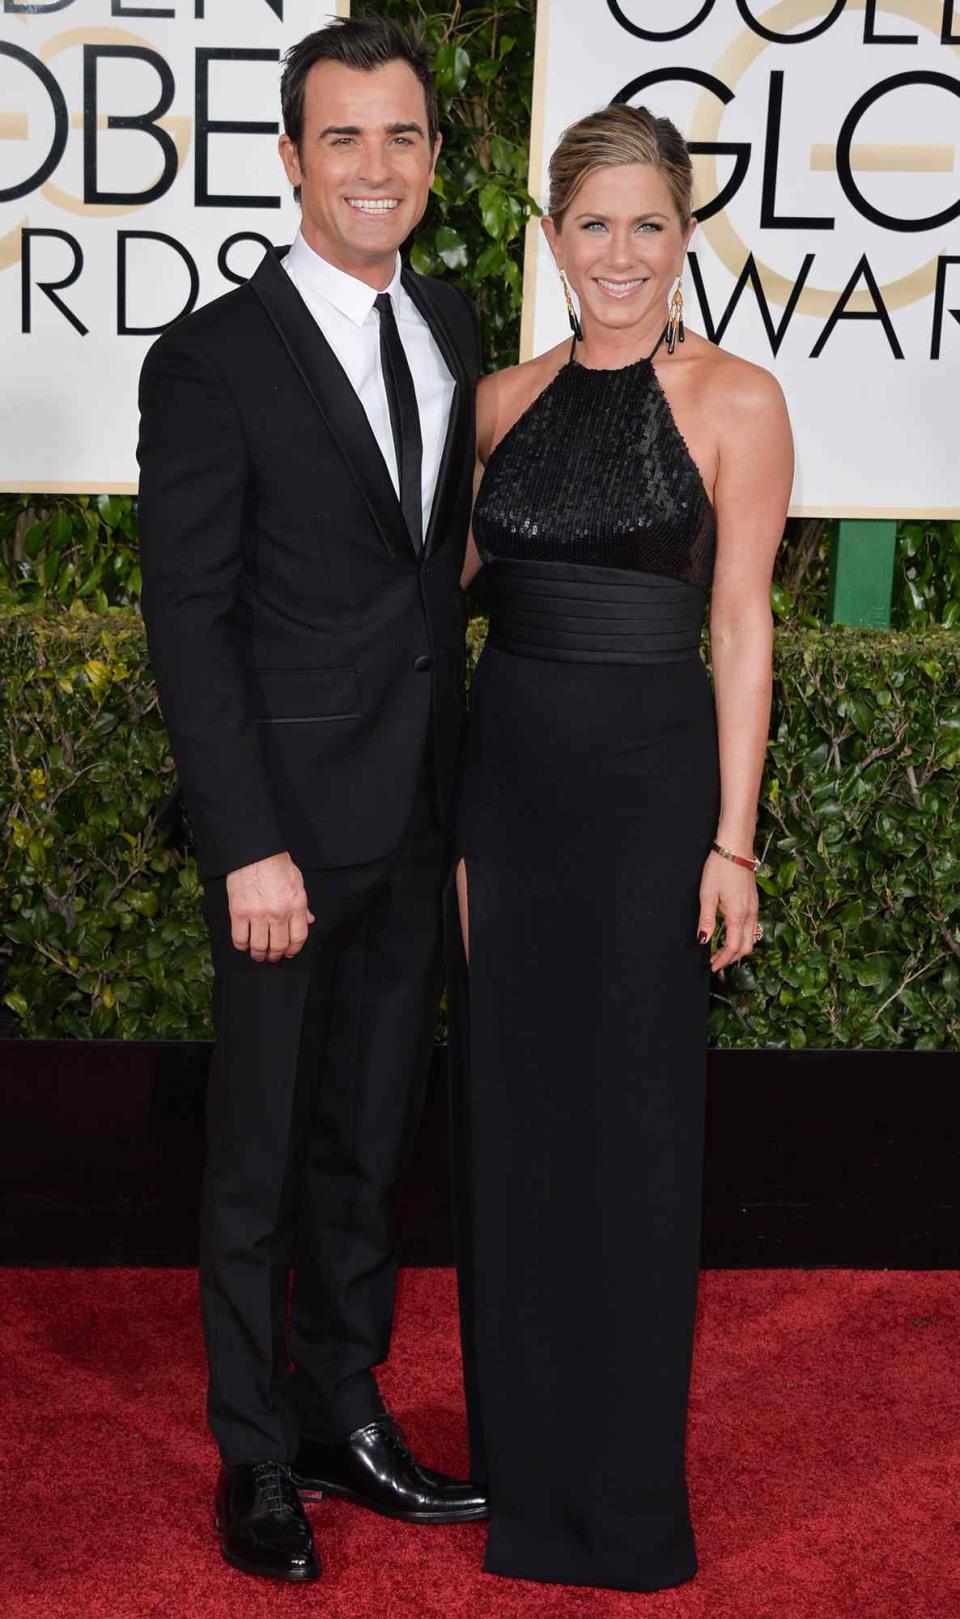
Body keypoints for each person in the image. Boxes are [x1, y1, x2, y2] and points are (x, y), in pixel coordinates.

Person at [137, 17, 486, 1584]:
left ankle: (345, 1411)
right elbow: (190, 616)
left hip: (416, 818)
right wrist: (246, 840)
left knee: (369, 1145)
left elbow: (437, 579)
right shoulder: (211, 357)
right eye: (341, 138)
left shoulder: (456, 327)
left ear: (430, 156)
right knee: (260, 1159)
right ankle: (256, 1456)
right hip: (285, 837)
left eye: (400, 137)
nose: (375, 167)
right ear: (290, 162)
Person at [450, 103, 794, 1592]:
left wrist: (735, 842)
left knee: (639, 1145)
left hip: (656, 805)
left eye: (649, 222)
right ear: (551, 234)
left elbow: (741, 624)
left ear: (687, 234)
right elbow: (429, 612)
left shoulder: (737, 399)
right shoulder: (497, 404)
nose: (621, 252)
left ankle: (629, 1507)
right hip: (505, 805)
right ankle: (524, 1492)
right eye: (593, 221)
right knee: (512, 1139)